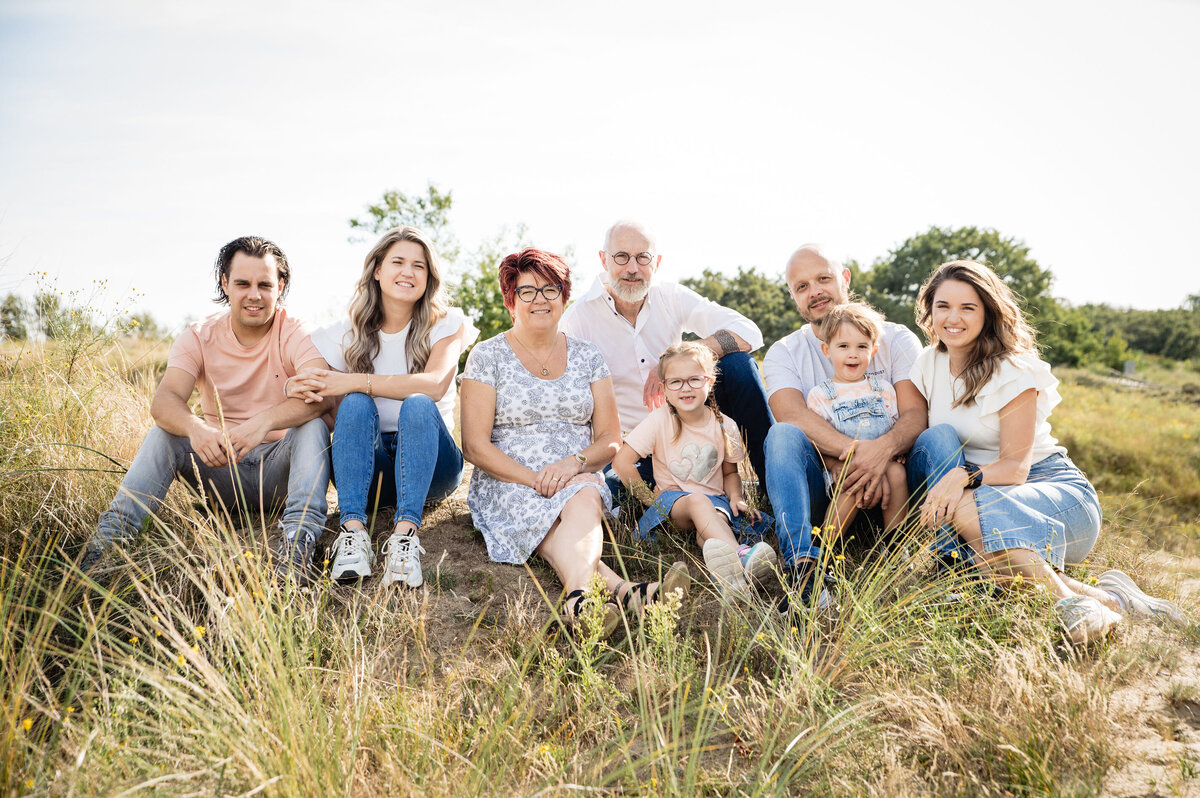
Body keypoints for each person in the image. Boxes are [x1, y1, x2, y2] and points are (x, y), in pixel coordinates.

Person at [907, 260, 1185, 644]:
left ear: (988, 313)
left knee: (969, 511)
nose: (953, 318)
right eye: (943, 306)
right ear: (929, 309)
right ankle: (1114, 600)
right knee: (982, 557)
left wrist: (962, 477)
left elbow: (1017, 468)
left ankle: (1067, 604)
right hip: (988, 502)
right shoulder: (927, 363)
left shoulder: (1014, 371)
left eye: (967, 308)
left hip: (1055, 495)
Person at [461, 248, 687, 635]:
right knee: (573, 502)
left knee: (582, 493)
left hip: (575, 475)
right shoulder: (487, 356)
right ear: (510, 298)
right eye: (527, 290)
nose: (539, 300)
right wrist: (535, 479)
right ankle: (617, 592)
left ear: (565, 298)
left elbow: (610, 438)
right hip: (509, 480)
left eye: (550, 290)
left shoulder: (588, 357)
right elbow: (475, 446)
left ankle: (581, 600)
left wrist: (573, 463)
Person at [80, 236, 333, 582]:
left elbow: (323, 393)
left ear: (280, 286)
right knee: (165, 432)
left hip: (281, 472)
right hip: (219, 468)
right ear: (225, 284)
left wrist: (264, 421)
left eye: (265, 285)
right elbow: (164, 401)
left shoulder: (293, 332)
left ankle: (297, 546)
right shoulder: (199, 336)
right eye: (242, 283)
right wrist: (198, 429)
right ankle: (106, 547)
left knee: (314, 425)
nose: (254, 295)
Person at [291, 227, 478, 588]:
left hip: (433, 467)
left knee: (419, 405)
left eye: (418, 265)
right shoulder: (345, 332)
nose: (408, 272)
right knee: (356, 405)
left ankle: (405, 537)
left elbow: (436, 382)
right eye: (398, 262)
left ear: (429, 277)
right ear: (377, 269)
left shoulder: (446, 324)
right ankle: (353, 533)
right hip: (370, 469)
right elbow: (310, 384)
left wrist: (354, 380)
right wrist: (292, 383)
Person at [762, 245, 926, 608]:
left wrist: (882, 455)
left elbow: (915, 414)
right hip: (832, 483)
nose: (815, 291)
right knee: (782, 436)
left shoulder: (895, 338)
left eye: (823, 278)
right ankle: (805, 565)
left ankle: (921, 552)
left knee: (937, 438)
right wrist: (857, 459)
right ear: (792, 295)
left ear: (844, 279)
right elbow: (791, 415)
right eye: (802, 286)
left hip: (896, 477)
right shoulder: (785, 352)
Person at [560, 220, 774, 494]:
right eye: (622, 257)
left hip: (690, 429)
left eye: (643, 257)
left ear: (656, 262)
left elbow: (749, 332)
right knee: (614, 494)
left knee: (738, 366)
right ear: (604, 260)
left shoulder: (671, 297)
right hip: (631, 447)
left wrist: (672, 362)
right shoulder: (578, 319)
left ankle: (772, 489)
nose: (633, 268)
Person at [613, 342, 777, 600]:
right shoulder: (659, 421)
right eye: (675, 382)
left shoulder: (725, 425)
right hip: (672, 504)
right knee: (698, 502)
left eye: (694, 380)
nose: (686, 388)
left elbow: (730, 473)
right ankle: (741, 555)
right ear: (663, 387)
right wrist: (651, 501)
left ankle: (730, 583)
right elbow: (621, 462)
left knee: (709, 537)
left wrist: (736, 497)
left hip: (715, 504)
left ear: (709, 382)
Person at [804, 302, 909, 537]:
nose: (853, 353)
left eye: (862, 346)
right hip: (845, 469)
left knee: (898, 474)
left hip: (884, 465)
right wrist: (837, 466)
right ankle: (828, 546)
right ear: (827, 350)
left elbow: (894, 427)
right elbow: (820, 444)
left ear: (872, 351)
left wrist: (896, 456)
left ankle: (896, 544)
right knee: (850, 482)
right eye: (843, 346)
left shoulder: (882, 389)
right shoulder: (821, 395)